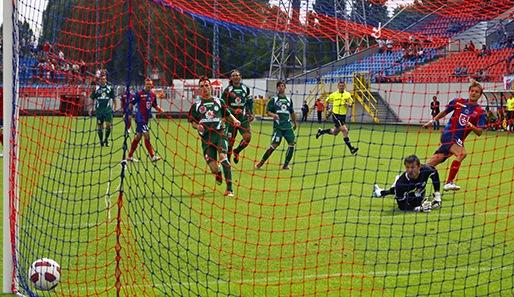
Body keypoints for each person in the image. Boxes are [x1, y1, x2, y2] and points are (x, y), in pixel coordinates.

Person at [422, 80, 486, 191]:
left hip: (457, 140)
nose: (474, 93)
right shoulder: (458, 102)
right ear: (469, 92)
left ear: (480, 95)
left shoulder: (480, 112)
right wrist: (431, 122)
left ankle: (406, 178)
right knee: (462, 153)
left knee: (430, 164)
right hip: (449, 134)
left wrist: (471, 126)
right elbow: (444, 112)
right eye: (472, 91)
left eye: (477, 92)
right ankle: (449, 182)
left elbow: (479, 132)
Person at [188, 76, 241, 197]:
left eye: (206, 85)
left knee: (223, 157)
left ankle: (230, 189)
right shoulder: (196, 105)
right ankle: (218, 173)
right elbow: (192, 122)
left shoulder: (218, 101)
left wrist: (235, 120)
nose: (205, 88)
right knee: (213, 167)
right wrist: (197, 126)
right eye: (202, 86)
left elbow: (226, 114)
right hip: (206, 138)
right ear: (199, 89)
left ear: (210, 87)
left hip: (220, 134)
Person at [372, 155, 442, 212]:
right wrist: (419, 209)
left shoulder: (426, 170)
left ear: (419, 166)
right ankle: (380, 192)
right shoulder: (401, 183)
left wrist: (437, 196)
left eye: (412, 167)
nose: (409, 170)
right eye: (407, 167)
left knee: (416, 195)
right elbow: (401, 206)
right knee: (411, 199)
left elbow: (434, 173)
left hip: (419, 189)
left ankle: (379, 192)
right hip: (409, 191)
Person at [255, 81, 297, 170]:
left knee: (292, 144)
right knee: (274, 145)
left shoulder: (289, 100)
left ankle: (285, 165)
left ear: (285, 87)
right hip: (278, 127)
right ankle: (261, 163)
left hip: (288, 126)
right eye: (279, 86)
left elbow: (292, 112)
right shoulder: (273, 99)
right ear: (277, 88)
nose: (281, 88)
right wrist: (273, 115)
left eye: (282, 86)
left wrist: (295, 123)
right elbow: (267, 112)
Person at [125, 78, 164, 162]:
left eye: (150, 84)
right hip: (140, 117)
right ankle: (153, 156)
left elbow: (154, 105)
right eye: (147, 84)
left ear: (152, 85)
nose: (148, 86)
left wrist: (159, 109)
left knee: (138, 137)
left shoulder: (153, 95)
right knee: (146, 134)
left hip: (146, 118)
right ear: (144, 85)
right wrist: (129, 113)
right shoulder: (139, 94)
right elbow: (131, 103)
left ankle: (129, 156)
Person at [315, 81, 359, 155]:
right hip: (335, 115)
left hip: (343, 116)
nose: (341, 87)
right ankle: (351, 149)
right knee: (345, 130)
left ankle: (321, 131)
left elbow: (352, 104)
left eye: (343, 86)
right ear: (338, 87)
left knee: (335, 132)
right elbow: (326, 100)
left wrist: (347, 104)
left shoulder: (347, 94)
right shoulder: (334, 94)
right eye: (340, 86)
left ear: (344, 86)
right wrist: (328, 108)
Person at [220, 70, 253, 164]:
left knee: (247, 138)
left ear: (240, 77)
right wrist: (233, 110)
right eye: (233, 75)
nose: (235, 77)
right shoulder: (228, 90)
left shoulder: (245, 89)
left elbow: (249, 102)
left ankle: (237, 151)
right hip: (231, 119)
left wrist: (250, 113)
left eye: (237, 75)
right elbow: (223, 105)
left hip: (242, 118)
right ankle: (228, 163)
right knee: (230, 143)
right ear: (231, 78)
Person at [90, 74, 116, 147]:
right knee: (100, 126)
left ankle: (106, 139)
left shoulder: (110, 88)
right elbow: (92, 98)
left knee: (108, 125)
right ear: (99, 80)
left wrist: (115, 106)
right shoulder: (96, 89)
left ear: (106, 80)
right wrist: (90, 108)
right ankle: (101, 141)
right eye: (101, 79)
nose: (102, 80)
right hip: (99, 111)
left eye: (104, 79)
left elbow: (113, 98)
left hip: (107, 110)